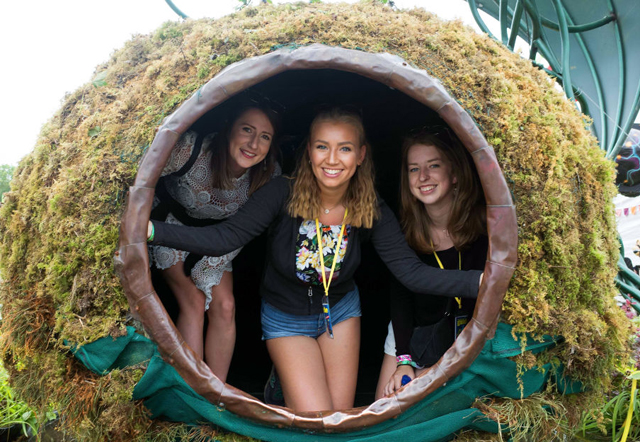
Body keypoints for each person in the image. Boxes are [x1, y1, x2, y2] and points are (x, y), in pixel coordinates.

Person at [148, 107, 483, 412]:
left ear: (361, 155)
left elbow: (410, 273)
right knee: (318, 420)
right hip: (286, 317)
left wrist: (481, 281)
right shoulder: (282, 192)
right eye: (323, 146)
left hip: (340, 313)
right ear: (309, 151)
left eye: (345, 148)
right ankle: (284, 379)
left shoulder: (370, 207)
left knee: (339, 419)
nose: (332, 159)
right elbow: (224, 238)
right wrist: (151, 230)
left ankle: (288, 386)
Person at [148, 104, 280, 382]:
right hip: (170, 226)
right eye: (247, 129)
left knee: (225, 306)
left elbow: (246, 228)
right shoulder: (191, 151)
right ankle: (194, 389)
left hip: (219, 238)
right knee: (194, 301)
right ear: (229, 127)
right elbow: (141, 174)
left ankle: (217, 393)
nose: (254, 144)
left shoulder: (269, 175)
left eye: (265, 136)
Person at [376, 127, 487, 399]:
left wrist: (433, 372)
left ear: (455, 174)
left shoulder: (486, 229)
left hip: (472, 340)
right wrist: (404, 361)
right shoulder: (402, 233)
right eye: (414, 169)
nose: (423, 177)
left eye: (433, 165)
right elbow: (400, 302)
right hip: (415, 337)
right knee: (383, 406)